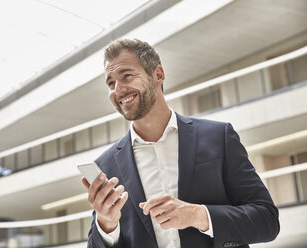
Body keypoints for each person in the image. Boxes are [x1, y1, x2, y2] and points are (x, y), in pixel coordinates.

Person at [81, 39, 280, 248]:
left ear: (158, 75)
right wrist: (106, 225)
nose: (118, 89)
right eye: (111, 83)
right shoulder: (106, 166)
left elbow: (267, 221)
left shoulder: (218, 137)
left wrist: (198, 215)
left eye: (127, 76)